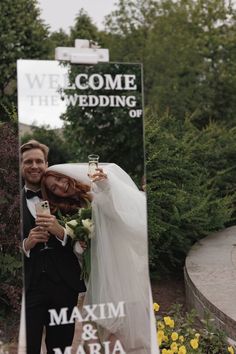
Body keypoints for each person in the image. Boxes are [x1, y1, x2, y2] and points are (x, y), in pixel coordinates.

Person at [41, 162, 160, 354]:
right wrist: (80, 246)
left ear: (67, 174)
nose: (61, 186)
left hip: (120, 265)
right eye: (55, 188)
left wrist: (106, 185)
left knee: (122, 327)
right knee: (99, 331)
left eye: (60, 179)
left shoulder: (99, 186)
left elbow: (123, 216)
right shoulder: (69, 212)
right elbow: (74, 250)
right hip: (96, 274)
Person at [20, 140, 86, 354]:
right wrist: (26, 244)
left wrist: (61, 232)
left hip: (64, 285)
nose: (34, 166)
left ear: (46, 163)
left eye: (39, 161)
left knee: (60, 348)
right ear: (21, 166)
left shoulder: (63, 192)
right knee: (28, 346)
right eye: (28, 161)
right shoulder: (11, 203)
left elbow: (88, 236)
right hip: (29, 287)